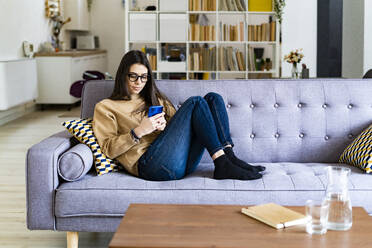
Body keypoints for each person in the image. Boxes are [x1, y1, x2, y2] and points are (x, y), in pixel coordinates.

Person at [93, 50, 265, 181]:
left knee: (213, 98)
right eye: (133, 76)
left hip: (181, 161)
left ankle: (229, 158)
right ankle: (221, 164)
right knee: (196, 102)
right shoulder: (106, 107)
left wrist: (164, 127)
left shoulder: (154, 98)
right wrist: (138, 132)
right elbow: (108, 149)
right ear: (123, 75)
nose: (139, 82)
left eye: (144, 77)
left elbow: (180, 128)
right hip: (150, 166)